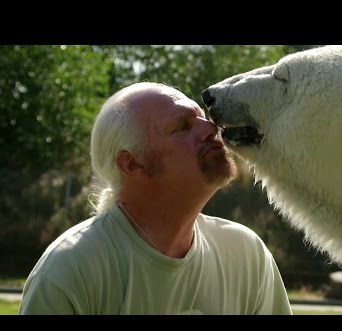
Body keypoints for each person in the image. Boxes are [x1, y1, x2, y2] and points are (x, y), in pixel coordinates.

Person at [19, 82, 292, 315]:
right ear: (133, 165)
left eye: (202, 117)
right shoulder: (71, 270)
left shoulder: (245, 253)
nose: (211, 127)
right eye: (183, 127)